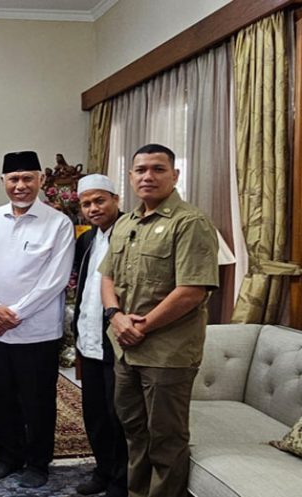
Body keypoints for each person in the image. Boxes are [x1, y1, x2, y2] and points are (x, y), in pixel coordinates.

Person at [99, 144, 219, 497]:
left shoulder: (190, 222)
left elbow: (192, 290)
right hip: (126, 350)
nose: (148, 176)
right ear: (131, 177)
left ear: (174, 175)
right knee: (134, 432)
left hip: (167, 354)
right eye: (141, 170)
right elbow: (107, 277)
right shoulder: (125, 223)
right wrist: (115, 316)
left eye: (158, 169)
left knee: (166, 439)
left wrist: (142, 326)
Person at [0, 151, 75, 489]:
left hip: (37, 333)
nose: (20, 185)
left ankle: (38, 462)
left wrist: (13, 314)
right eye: (13, 179)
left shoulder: (59, 223)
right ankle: (8, 456)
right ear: (2, 181)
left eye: (28, 178)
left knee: (37, 401)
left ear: (40, 180)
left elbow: (55, 280)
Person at [72, 174, 127, 497]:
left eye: (99, 201)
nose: (93, 208)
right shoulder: (87, 239)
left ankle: (121, 480)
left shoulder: (131, 233)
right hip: (88, 339)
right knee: (94, 414)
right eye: (86, 204)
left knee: (118, 414)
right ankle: (103, 471)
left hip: (117, 342)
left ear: (116, 199)